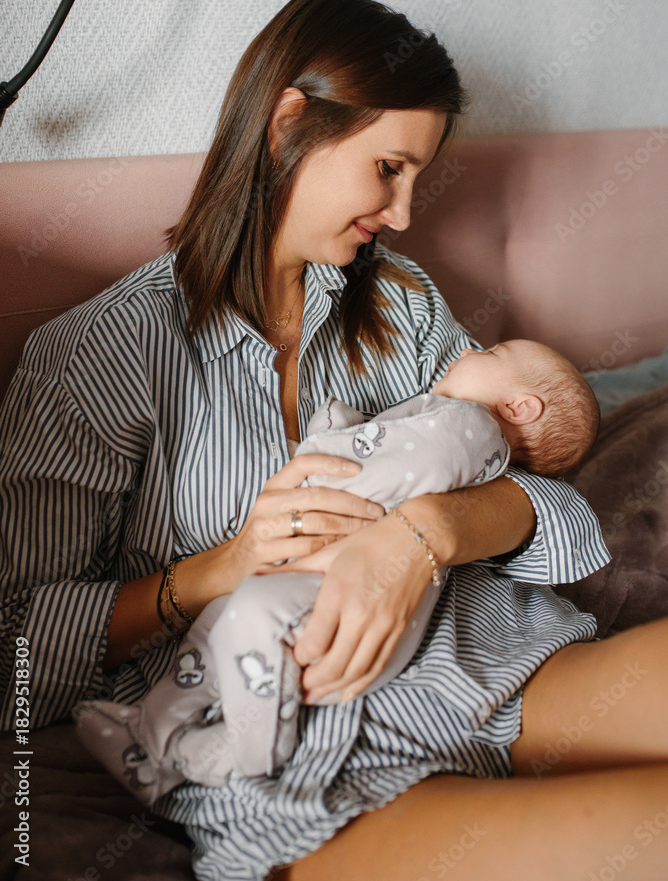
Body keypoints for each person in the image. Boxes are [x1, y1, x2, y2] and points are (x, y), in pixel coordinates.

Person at [0, 0, 665, 881]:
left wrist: (423, 536)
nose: (405, 212)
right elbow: (16, 650)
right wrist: (223, 569)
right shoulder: (96, 358)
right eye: (389, 167)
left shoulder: (402, 305)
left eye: (417, 176)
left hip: (484, 651)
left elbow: (542, 493)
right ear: (287, 126)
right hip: (300, 736)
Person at [72, 338, 600, 805]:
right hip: (315, 583)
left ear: (520, 407)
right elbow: (393, 452)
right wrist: (341, 429)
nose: (466, 349)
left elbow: (395, 467)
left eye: (489, 353)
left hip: (342, 597)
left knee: (247, 622)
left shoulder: (473, 425)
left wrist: (331, 465)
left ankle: (247, 757)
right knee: (218, 624)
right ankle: (157, 738)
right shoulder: (459, 422)